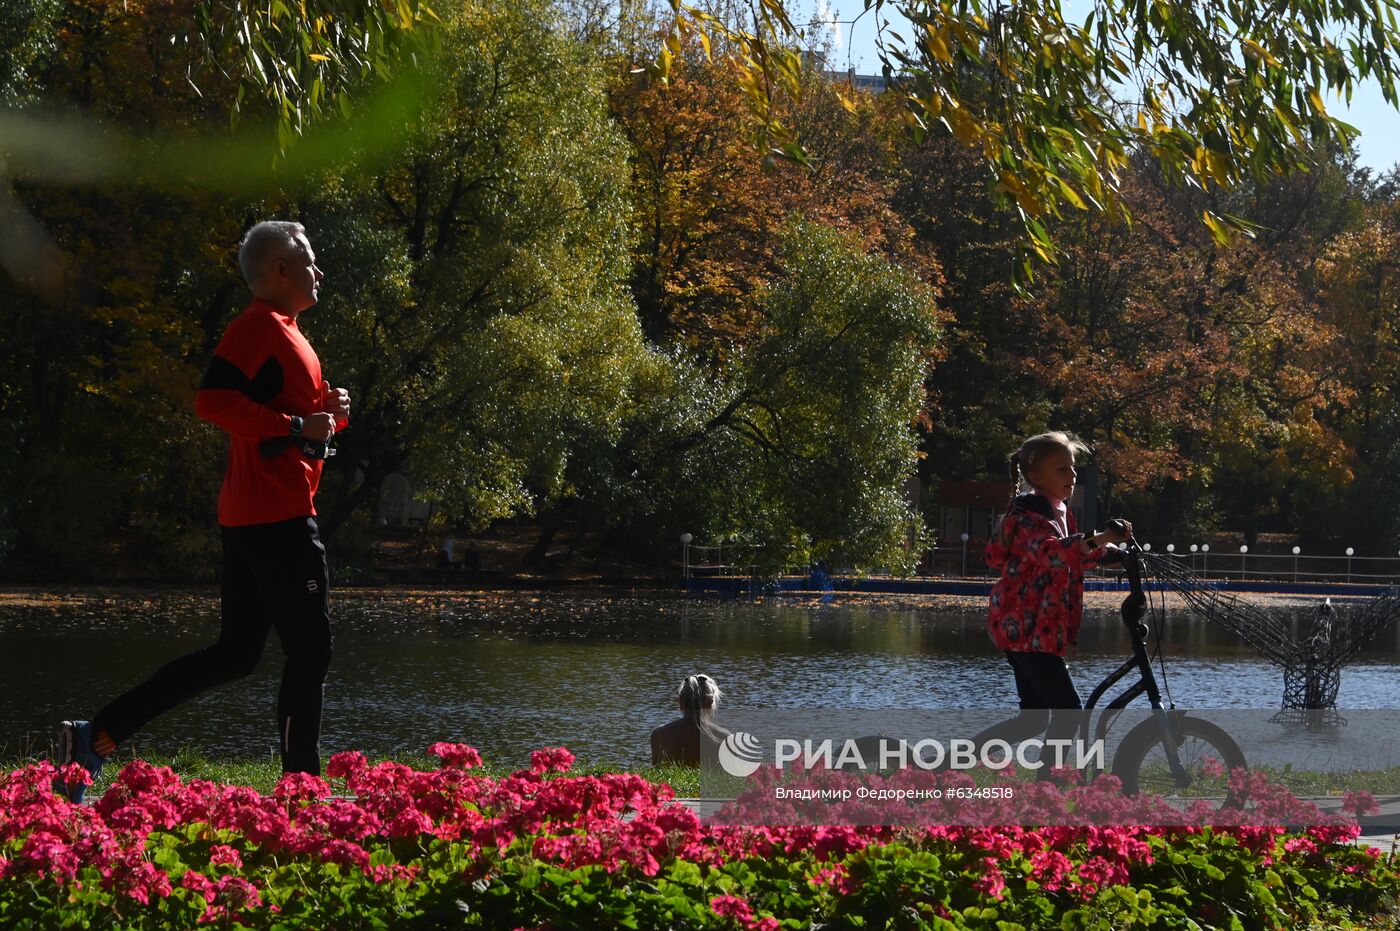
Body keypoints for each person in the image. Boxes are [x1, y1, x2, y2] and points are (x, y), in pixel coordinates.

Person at [55, 221, 350, 801]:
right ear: (280, 271)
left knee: (236, 655)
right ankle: (301, 790)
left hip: (254, 515)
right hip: (277, 517)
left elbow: (293, 429)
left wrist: (330, 413)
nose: (320, 272)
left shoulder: (289, 333)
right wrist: (298, 425)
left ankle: (94, 738)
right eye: (311, 262)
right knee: (309, 649)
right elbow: (212, 401)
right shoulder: (257, 327)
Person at [976, 431, 1130, 780]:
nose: (1072, 477)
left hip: (1038, 630)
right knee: (1067, 712)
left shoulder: (1057, 512)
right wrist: (1103, 538)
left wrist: (1114, 555)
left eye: (1073, 469)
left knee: (1032, 719)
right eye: (1062, 470)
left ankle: (945, 766)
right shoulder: (1029, 515)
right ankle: (1046, 788)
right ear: (1036, 477)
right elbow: (1053, 552)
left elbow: (1075, 554)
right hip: (1026, 628)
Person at [651, 674, 730, 766]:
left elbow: (656, 769)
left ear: (680, 702)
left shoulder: (658, 734)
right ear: (710, 704)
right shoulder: (725, 737)